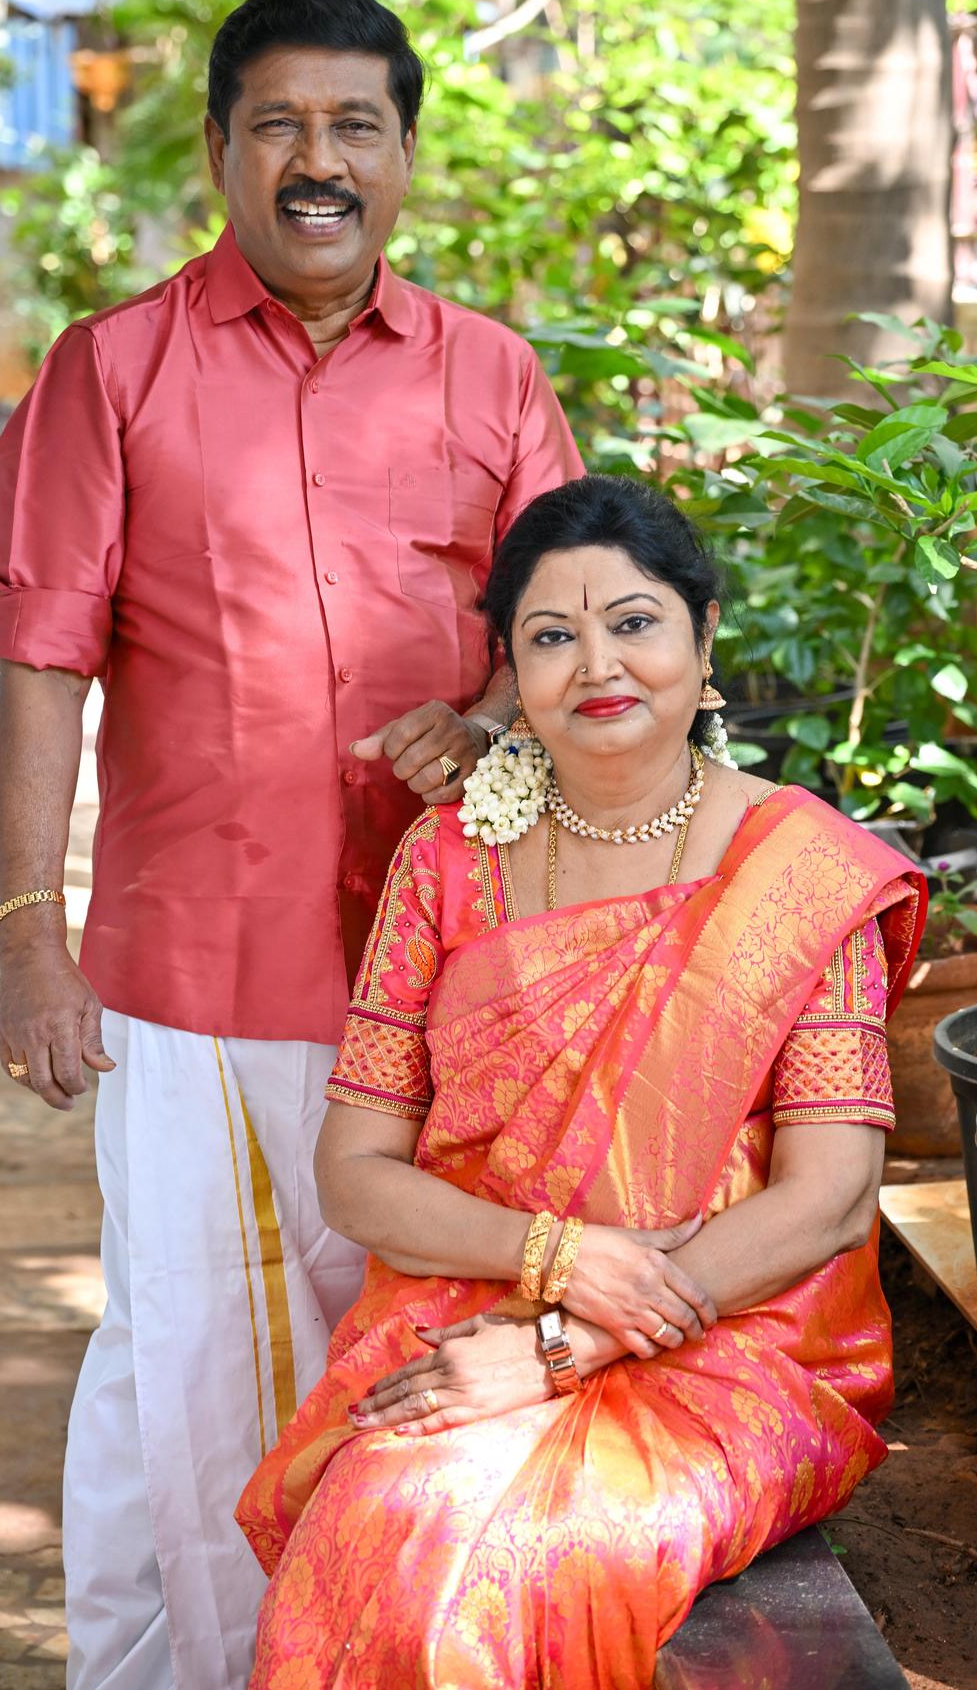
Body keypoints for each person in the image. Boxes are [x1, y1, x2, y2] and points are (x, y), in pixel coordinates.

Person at [0, 0, 580, 1689]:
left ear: (405, 153)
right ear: (220, 149)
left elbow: (578, 630)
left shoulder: (492, 374)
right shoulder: (113, 370)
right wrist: (29, 939)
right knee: (195, 1354)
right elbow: (43, 666)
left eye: (355, 126)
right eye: (281, 126)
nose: (320, 162)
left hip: (446, 969)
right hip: (199, 973)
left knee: (385, 1348)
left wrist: (489, 723)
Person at [236, 474, 927, 1687]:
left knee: (508, 1557)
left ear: (705, 638)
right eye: (553, 636)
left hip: (733, 1335)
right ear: (511, 672)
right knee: (378, 1516)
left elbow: (827, 1199)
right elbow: (355, 1175)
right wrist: (556, 1262)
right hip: (473, 1306)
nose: (598, 664)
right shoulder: (449, 861)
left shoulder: (799, 871)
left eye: (635, 622)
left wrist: (564, 1343)